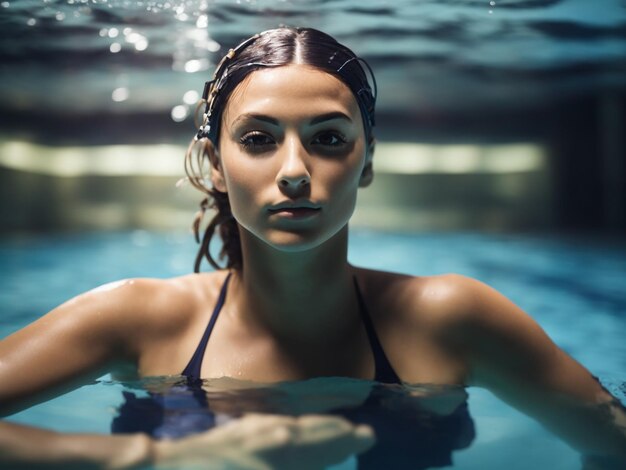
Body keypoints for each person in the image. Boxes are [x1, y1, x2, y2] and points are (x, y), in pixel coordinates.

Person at [0, 26, 624, 469]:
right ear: (216, 164)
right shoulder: (136, 320)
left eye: (328, 138)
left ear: (367, 161)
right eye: (258, 139)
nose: (295, 170)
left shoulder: (452, 319)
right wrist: (152, 458)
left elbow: (611, 440)